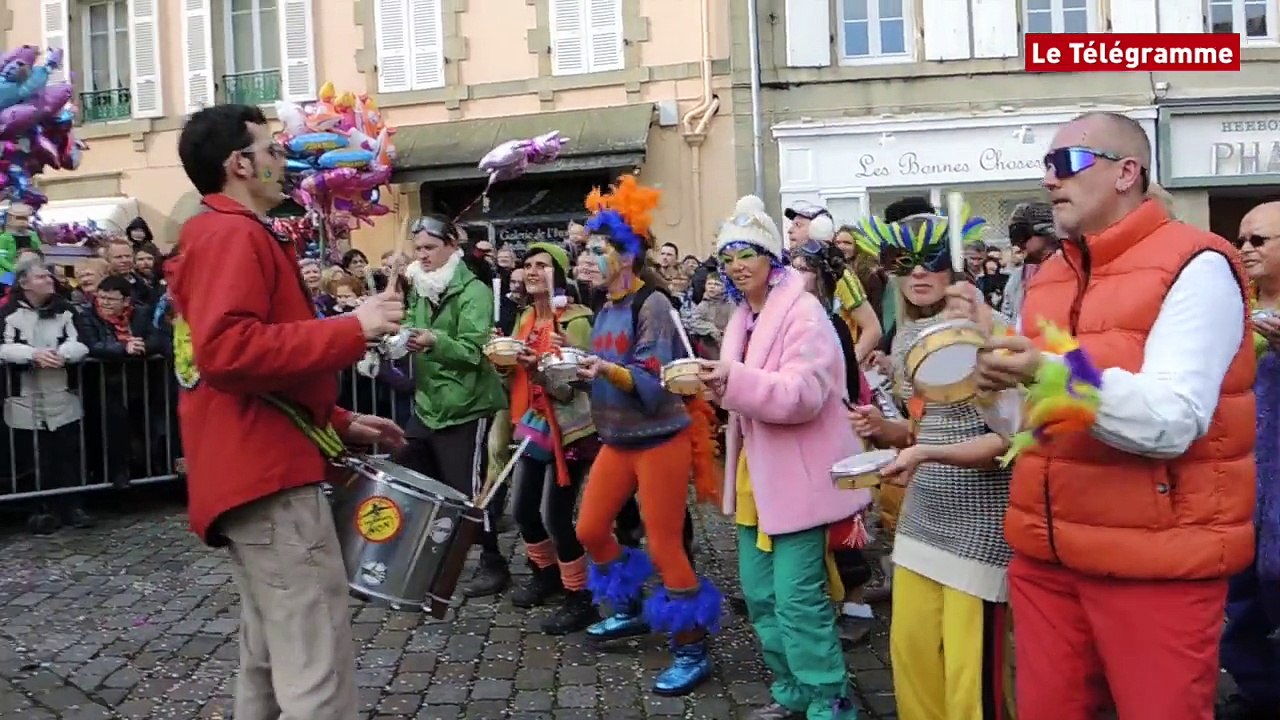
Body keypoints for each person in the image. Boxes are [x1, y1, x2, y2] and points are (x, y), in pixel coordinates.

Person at [953, 111, 1255, 720]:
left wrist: (1049, 373)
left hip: (1155, 564)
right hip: (1048, 559)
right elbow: (1030, 430)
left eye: (1065, 164)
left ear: (1127, 173)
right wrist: (991, 389)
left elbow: (1173, 421)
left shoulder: (1197, 264)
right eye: (1045, 167)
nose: (1048, 181)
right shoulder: (1050, 274)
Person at [166, 104, 406, 720]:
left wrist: (339, 421)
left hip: (254, 469)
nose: (283, 161)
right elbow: (227, 352)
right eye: (272, 150)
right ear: (240, 164)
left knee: (271, 662)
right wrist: (354, 327)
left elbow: (247, 374)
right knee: (314, 665)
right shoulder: (231, 233)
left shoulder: (216, 232)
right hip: (268, 479)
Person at [702, 196, 868, 720]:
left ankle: (830, 700)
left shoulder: (805, 312)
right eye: (728, 256)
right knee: (760, 596)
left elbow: (803, 396)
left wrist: (731, 382)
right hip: (757, 480)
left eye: (747, 253)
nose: (736, 265)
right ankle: (793, 690)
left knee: (799, 601)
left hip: (797, 481)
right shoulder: (743, 318)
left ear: (771, 257)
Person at [848, 207, 1016, 720]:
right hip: (923, 522)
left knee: (971, 684)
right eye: (906, 260)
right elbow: (923, 430)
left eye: (933, 259)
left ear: (956, 264)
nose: (919, 271)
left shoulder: (989, 329)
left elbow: (1006, 442)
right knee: (913, 657)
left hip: (978, 529)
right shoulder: (905, 339)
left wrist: (925, 452)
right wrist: (886, 430)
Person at [573, 175, 722, 697]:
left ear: (629, 255)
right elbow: (604, 368)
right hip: (618, 440)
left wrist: (602, 370)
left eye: (598, 250)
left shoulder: (652, 305)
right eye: (585, 250)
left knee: (664, 546)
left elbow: (657, 381)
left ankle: (691, 647)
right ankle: (631, 609)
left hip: (660, 440)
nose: (587, 259)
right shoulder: (605, 307)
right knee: (591, 529)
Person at [397, 214, 510, 597]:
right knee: (416, 475)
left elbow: (476, 351)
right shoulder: (418, 284)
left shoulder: (473, 291)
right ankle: (434, 554)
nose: (423, 255)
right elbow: (411, 322)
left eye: (430, 247)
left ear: (451, 247)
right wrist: (394, 338)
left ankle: (493, 561)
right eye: (419, 249)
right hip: (428, 403)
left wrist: (433, 341)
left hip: (468, 404)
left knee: (470, 488)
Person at [505, 241, 600, 634]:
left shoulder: (576, 319)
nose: (531, 271)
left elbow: (576, 383)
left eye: (541, 265)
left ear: (558, 274)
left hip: (572, 427)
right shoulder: (525, 316)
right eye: (527, 265)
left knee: (556, 517)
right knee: (522, 509)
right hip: (534, 420)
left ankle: (580, 598)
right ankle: (545, 575)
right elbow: (513, 368)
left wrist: (547, 366)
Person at [1220, 201, 1280, 720]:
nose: (1243, 249)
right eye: (1241, 239)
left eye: (1258, 240)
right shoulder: (1232, 304)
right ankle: (1255, 689)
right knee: (1240, 587)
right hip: (1239, 475)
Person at [0, 254, 90, 533]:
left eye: (49, 276)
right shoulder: (8, 314)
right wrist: (32, 354)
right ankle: (37, 509)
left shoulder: (66, 310)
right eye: (41, 277)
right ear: (25, 283)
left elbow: (82, 342)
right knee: (31, 456)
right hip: (23, 396)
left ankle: (71, 506)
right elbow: (3, 346)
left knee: (66, 453)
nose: (49, 280)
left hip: (61, 392)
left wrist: (62, 355)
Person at [1000, 201, 1060, 318]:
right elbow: (1010, 319)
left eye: (1021, 235)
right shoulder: (1017, 278)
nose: (1017, 245)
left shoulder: (1073, 270)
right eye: (1014, 237)